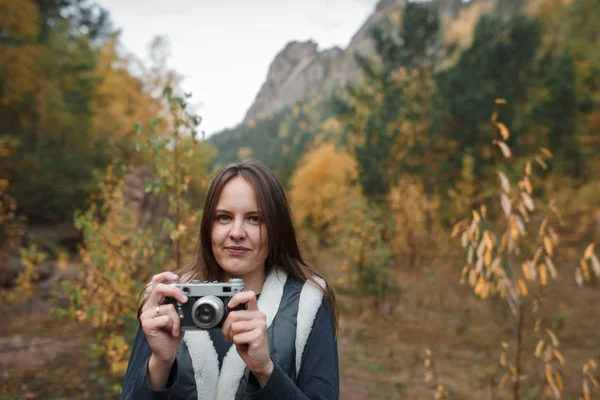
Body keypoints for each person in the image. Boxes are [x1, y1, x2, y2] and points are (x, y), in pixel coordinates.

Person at [120, 159, 339, 400]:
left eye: (255, 218)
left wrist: (266, 370)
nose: (236, 232)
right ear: (208, 226)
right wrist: (160, 363)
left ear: (276, 227)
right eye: (223, 217)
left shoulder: (308, 304)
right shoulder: (167, 299)